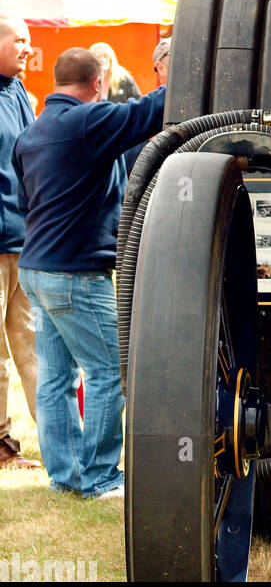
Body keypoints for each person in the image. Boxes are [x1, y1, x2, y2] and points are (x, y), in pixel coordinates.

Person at [14, 48, 166, 498]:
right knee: (105, 372)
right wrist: (178, 64)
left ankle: (65, 477)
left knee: (56, 378)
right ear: (98, 82)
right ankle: (100, 477)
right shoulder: (88, 123)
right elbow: (151, 111)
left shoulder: (33, 133)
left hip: (35, 268)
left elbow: (29, 203)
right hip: (75, 274)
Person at [0, 15, 41, 470]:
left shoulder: (16, 92)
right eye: (21, 41)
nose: (28, 48)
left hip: (23, 241)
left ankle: (57, 440)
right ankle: (1, 446)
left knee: (31, 346)